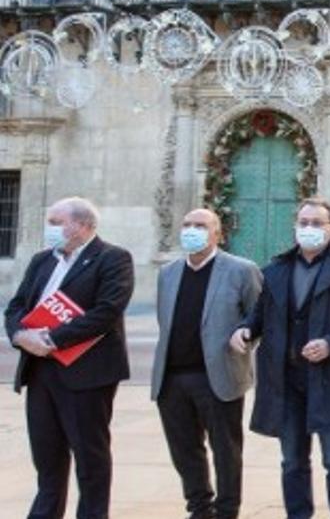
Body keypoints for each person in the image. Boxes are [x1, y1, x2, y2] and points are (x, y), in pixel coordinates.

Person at [229, 198, 330, 519]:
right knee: (292, 459)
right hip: (286, 379)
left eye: (317, 223)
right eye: (304, 222)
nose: (309, 229)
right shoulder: (277, 269)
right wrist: (245, 329)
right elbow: (260, 314)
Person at [4, 196, 134, 519]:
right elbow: (17, 306)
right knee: (47, 457)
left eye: (56, 223)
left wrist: (50, 339)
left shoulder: (112, 258)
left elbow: (106, 312)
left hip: (86, 374)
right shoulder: (42, 260)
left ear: (82, 225)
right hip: (40, 371)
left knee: (90, 459)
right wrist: (20, 335)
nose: (50, 229)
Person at [153, 208, 262, 519]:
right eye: (186, 224)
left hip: (218, 376)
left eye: (200, 225)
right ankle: (200, 508)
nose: (192, 230)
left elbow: (257, 316)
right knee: (185, 451)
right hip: (172, 379)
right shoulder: (169, 273)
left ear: (218, 233)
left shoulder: (242, 270)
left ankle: (227, 510)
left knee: (226, 450)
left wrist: (245, 337)